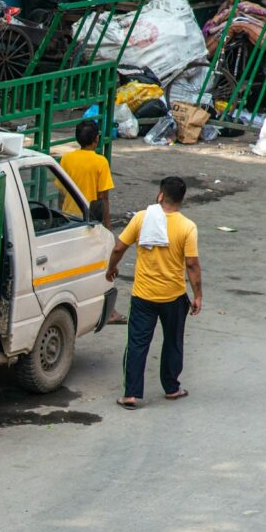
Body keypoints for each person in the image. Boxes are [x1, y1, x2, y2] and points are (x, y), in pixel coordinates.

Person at [106, 176, 202, 410]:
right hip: (174, 295)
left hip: (143, 295)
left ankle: (131, 394)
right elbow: (191, 264)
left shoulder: (142, 218)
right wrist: (198, 295)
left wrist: (112, 267)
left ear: (160, 195)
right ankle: (172, 388)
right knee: (173, 342)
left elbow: (119, 246)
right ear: (182, 199)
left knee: (137, 343)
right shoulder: (187, 227)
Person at [60, 119, 125, 324]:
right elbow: (103, 198)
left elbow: (62, 192)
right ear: (96, 139)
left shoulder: (67, 159)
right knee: (104, 265)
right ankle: (109, 310)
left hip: (69, 218)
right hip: (91, 221)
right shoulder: (100, 162)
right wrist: (107, 226)